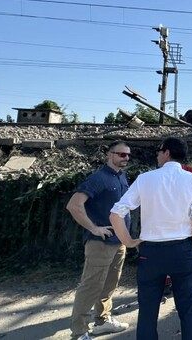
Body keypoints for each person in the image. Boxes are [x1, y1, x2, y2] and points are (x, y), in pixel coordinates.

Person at [110, 137, 192, 340]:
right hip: (182, 249)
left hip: (151, 252)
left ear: (167, 152)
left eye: (159, 150)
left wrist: (128, 242)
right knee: (187, 307)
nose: (157, 154)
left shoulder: (145, 178)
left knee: (147, 309)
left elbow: (116, 213)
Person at [66, 141, 132, 340]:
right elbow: (74, 205)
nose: (125, 158)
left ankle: (102, 322)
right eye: (121, 154)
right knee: (91, 286)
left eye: (128, 155)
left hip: (118, 241)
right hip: (100, 243)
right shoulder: (98, 178)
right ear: (109, 155)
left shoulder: (121, 176)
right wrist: (94, 228)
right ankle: (79, 332)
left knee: (109, 284)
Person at [163, 163, 192, 295]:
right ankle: (167, 279)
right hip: (168, 220)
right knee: (167, 249)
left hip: (188, 219)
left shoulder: (191, 173)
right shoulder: (162, 174)